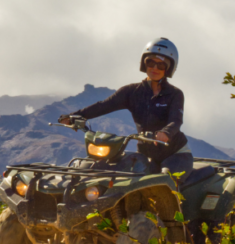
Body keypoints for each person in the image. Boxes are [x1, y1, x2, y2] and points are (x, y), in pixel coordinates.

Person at [59, 38, 192, 175]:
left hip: (175, 154)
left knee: (167, 180)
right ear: (144, 63)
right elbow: (103, 105)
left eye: (161, 65)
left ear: (169, 68)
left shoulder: (175, 94)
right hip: (146, 154)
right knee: (123, 178)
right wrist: (75, 116)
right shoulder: (131, 92)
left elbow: (175, 120)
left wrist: (166, 133)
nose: (154, 68)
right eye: (150, 62)